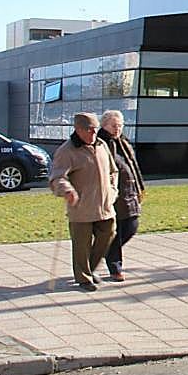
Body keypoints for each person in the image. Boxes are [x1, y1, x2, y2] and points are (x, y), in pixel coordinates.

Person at [50, 112, 118, 292]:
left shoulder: (102, 145)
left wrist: (113, 190)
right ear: (78, 129)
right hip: (81, 207)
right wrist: (67, 190)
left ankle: (90, 268)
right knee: (82, 244)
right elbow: (57, 177)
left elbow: (113, 171)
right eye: (89, 130)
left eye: (95, 129)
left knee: (108, 233)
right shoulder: (67, 151)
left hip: (105, 205)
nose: (93, 133)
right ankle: (84, 278)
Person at [96, 109, 146, 282]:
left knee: (131, 226)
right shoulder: (101, 143)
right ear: (104, 125)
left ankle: (105, 252)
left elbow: (133, 166)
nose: (117, 129)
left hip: (129, 193)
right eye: (114, 126)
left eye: (120, 125)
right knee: (116, 231)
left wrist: (140, 188)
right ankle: (115, 266)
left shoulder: (123, 142)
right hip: (113, 195)